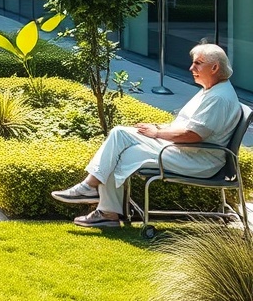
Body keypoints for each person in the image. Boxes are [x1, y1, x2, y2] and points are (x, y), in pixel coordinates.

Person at [52, 42, 242, 228]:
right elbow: (188, 126)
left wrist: (157, 133)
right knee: (121, 142)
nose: (191, 68)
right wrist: (158, 127)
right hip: (187, 151)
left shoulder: (218, 97)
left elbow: (193, 135)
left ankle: (94, 194)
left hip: (197, 159)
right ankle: (103, 207)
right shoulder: (212, 90)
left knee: (121, 142)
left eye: (198, 63)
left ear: (215, 67)